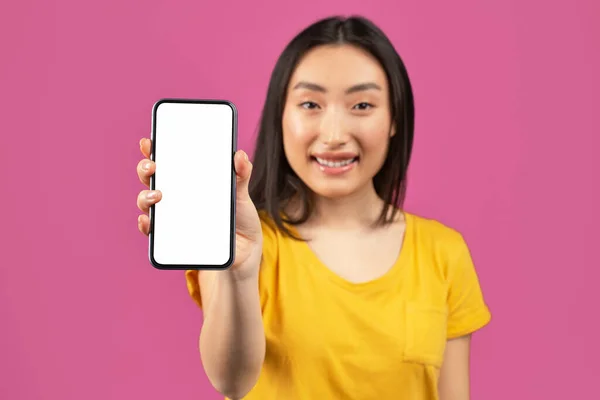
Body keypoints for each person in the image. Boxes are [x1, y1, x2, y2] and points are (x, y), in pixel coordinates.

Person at [135, 15, 491, 400]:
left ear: (394, 120)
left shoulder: (443, 252)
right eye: (310, 104)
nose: (335, 135)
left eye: (362, 105)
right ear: (281, 117)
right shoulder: (241, 240)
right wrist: (238, 274)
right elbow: (231, 381)